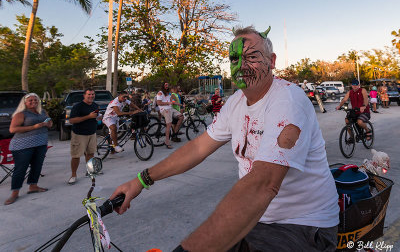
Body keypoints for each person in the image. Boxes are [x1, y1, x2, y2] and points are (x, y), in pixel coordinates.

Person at [110, 26, 339, 251]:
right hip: (256, 219)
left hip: (303, 225)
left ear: (272, 60)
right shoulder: (235, 102)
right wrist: (141, 180)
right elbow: (198, 148)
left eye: (252, 56)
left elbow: (263, 184)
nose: (241, 65)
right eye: (234, 58)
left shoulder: (288, 100)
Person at [4, 93, 52, 205]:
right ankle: (14, 193)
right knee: (21, 169)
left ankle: (33, 186)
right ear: (25, 102)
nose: (33, 102)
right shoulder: (21, 114)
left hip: (40, 143)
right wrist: (33, 127)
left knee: (37, 165)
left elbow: (50, 122)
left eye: (35, 100)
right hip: (22, 145)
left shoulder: (43, 112)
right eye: (30, 100)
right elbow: (12, 129)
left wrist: (49, 124)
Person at [68, 88, 101, 185]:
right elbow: (72, 121)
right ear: (84, 95)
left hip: (92, 133)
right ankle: (73, 175)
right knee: (76, 156)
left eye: (92, 94)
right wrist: (88, 117)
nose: (91, 96)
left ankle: (90, 171)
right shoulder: (78, 106)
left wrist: (98, 117)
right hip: (79, 134)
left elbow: (95, 117)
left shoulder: (95, 105)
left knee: (90, 154)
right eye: (89, 94)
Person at [156, 82, 184, 148]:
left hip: (170, 108)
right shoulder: (160, 93)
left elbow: (172, 101)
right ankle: (167, 141)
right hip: (165, 110)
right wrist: (168, 103)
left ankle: (175, 132)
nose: (167, 86)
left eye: (168, 85)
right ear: (163, 85)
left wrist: (179, 104)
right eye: (165, 84)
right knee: (169, 124)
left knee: (181, 117)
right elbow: (159, 103)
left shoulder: (168, 93)